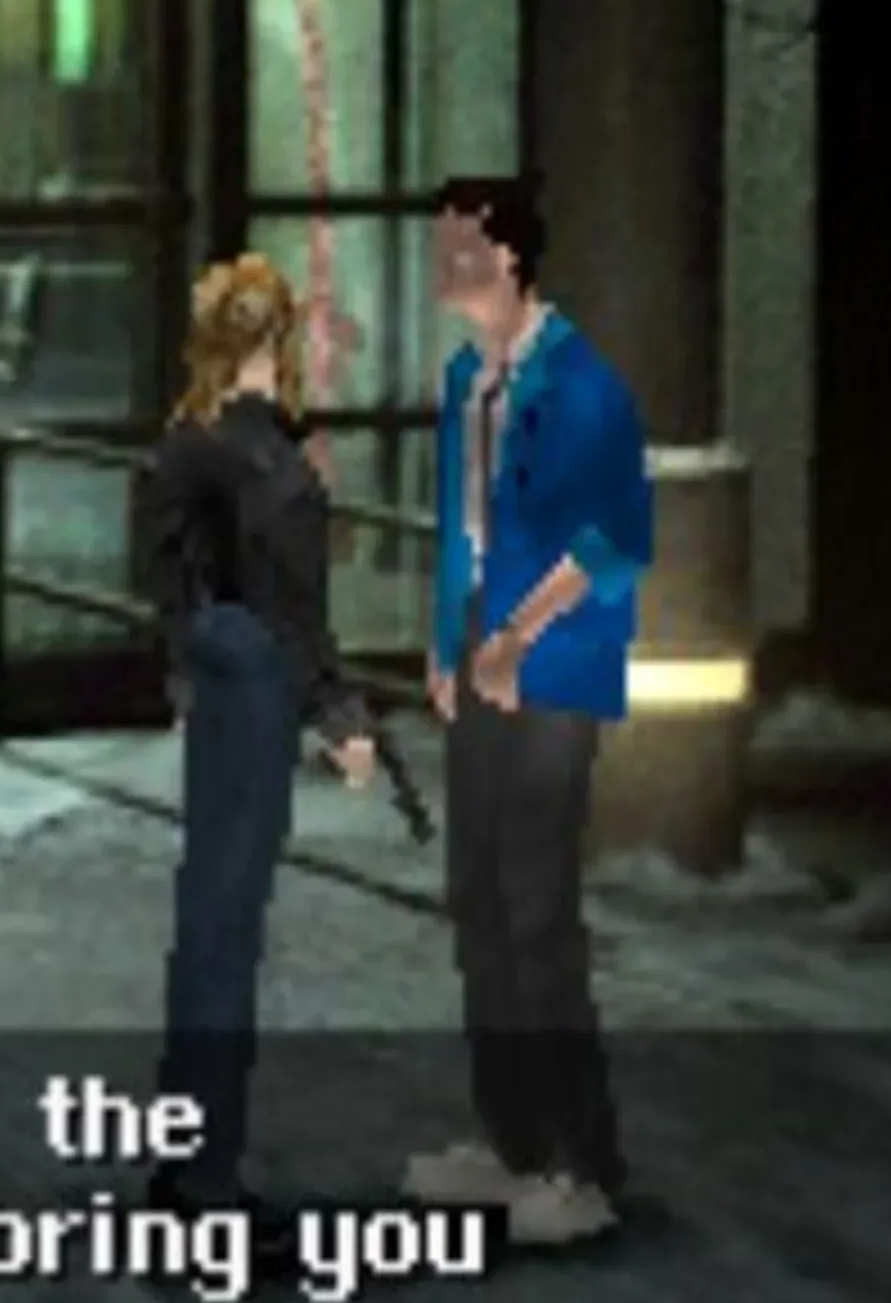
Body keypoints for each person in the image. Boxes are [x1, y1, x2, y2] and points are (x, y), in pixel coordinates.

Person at [403, 174, 653, 1248]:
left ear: (508, 256)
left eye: (457, 246)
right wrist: (447, 641)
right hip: (484, 653)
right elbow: (457, 528)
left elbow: (616, 539)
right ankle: (512, 1143)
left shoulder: (582, 384)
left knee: (536, 906)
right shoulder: (469, 378)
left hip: (554, 663)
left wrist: (517, 637)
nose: (441, 264)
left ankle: (580, 1164)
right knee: (477, 896)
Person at [142, 254, 378, 1216]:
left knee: (212, 915)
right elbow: (292, 605)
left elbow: (170, 580)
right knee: (226, 923)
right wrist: (338, 713)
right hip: (255, 688)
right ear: (274, 337)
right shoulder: (261, 455)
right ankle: (203, 1172)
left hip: (225, 682)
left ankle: (189, 1157)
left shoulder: (190, 442)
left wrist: (189, 665)